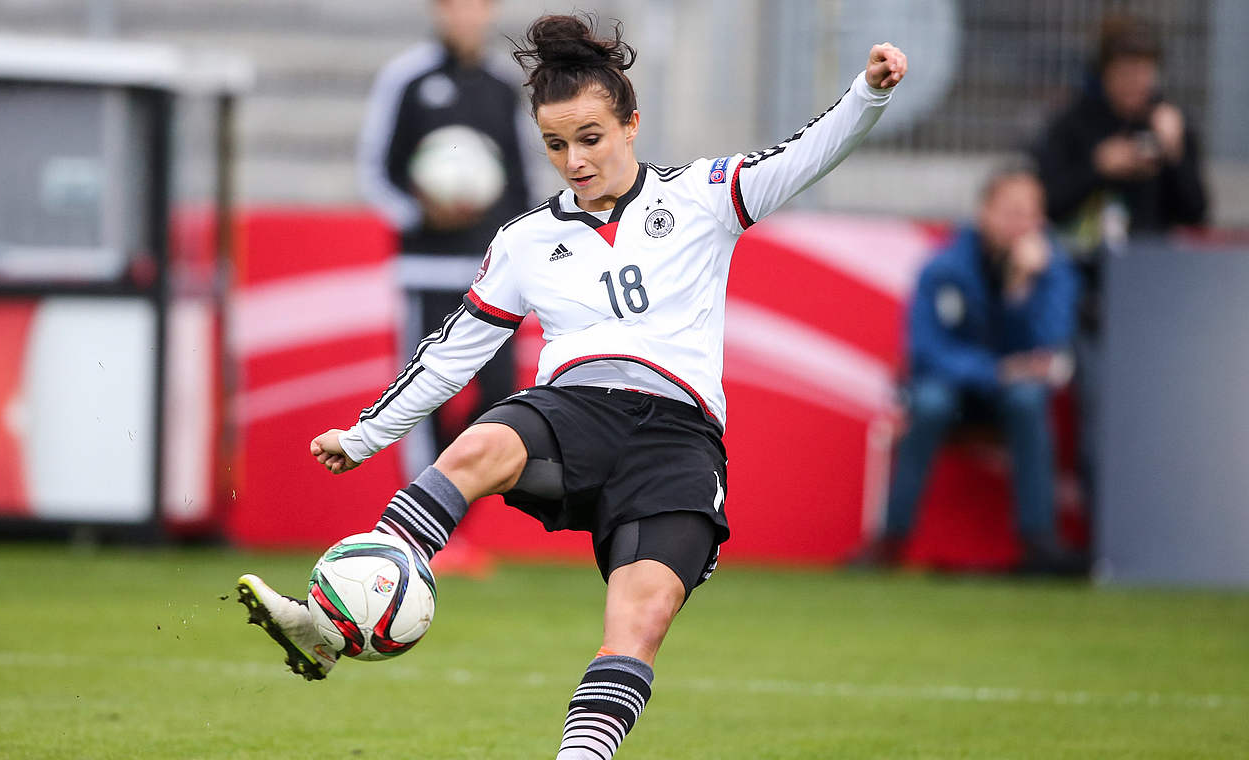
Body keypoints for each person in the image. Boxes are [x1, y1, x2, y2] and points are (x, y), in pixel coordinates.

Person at [240, 13, 905, 759]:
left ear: (630, 124)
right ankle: (325, 621)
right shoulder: (524, 242)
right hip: (575, 412)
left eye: (590, 138)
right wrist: (366, 436)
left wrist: (866, 94)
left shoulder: (704, 195)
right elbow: (453, 351)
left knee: (638, 622)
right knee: (480, 442)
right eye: (556, 144)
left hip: (677, 440)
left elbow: (805, 154)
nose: (574, 160)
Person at [857, 164, 1080, 574]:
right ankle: (890, 541)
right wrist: (995, 372)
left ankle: (1039, 541)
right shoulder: (943, 266)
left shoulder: (1051, 268)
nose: (1022, 224)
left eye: (1031, 214)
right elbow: (926, 350)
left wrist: (1023, 287)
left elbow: (1052, 341)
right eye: (1012, 211)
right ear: (985, 212)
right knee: (929, 404)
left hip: (1012, 396)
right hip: (953, 390)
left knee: (1029, 401)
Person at [1030, 13, 1208, 522]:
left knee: (1165, 416)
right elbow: (1048, 203)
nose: (1136, 84)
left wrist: (1173, 153)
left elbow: (1196, 211)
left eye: (1144, 73)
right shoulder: (1073, 124)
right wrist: (1098, 168)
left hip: (1157, 297)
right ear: (1105, 72)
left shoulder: (1169, 122)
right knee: (1102, 416)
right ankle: (1108, 537)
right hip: (1092, 297)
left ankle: (1163, 529)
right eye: (1125, 72)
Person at [356, 0, 537, 477]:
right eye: (454, 6)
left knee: (501, 395)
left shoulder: (502, 86)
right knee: (423, 394)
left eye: (476, 6)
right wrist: (421, 210)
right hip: (426, 270)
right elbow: (375, 172)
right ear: (438, 11)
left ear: (489, 11)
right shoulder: (407, 79)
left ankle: (446, 499)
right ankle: (421, 519)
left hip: (491, 279)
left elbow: (524, 182)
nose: (465, 16)